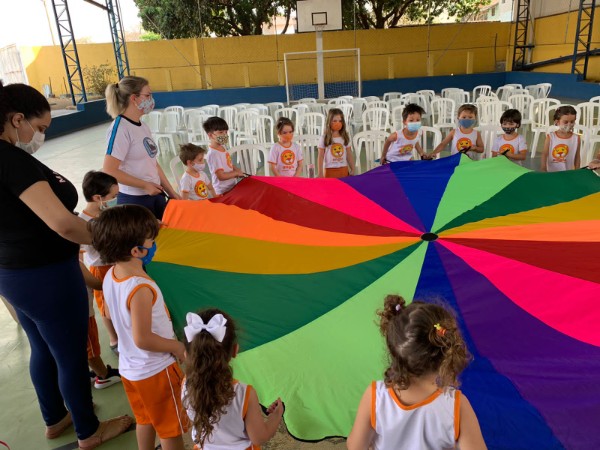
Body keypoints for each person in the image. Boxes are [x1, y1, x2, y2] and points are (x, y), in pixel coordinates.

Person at [0, 81, 132, 449]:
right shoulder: (9, 160)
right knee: (72, 355)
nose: (38, 136)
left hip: (14, 275)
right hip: (46, 276)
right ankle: (89, 431)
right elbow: (62, 223)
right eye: (39, 128)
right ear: (16, 119)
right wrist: (110, 240)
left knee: (43, 348)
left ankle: (55, 417)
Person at [92, 204, 188, 450]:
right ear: (136, 250)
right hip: (156, 371)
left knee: (145, 418)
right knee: (170, 430)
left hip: (130, 369)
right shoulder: (141, 288)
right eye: (151, 240)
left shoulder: (112, 275)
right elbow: (143, 338)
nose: (154, 244)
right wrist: (177, 347)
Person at [347, 294, 486, 450]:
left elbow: (355, 446)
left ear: (395, 352)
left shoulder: (375, 396)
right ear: (446, 354)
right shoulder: (457, 406)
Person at [182, 308, 284, 449]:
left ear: (186, 355)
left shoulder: (186, 385)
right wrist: (276, 416)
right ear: (235, 350)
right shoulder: (244, 393)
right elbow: (259, 437)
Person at [103, 76, 180, 220]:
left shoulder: (143, 126)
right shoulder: (121, 128)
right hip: (135, 201)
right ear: (134, 98)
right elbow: (109, 170)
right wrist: (144, 185)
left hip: (155, 194)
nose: (151, 99)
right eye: (147, 95)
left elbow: (153, 163)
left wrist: (172, 193)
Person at [79, 170, 120, 354]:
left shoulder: (107, 213)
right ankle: (114, 339)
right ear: (98, 197)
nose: (116, 199)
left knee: (119, 303)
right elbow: (79, 255)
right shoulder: (82, 223)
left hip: (117, 264)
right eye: (114, 196)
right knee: (107, 309)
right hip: (100, 269)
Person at [204, 116, 244, 195]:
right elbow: (221, 176)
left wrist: (236, 170)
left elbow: (228, 164)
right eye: (221, 132)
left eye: (226, 132)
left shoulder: (222, 147)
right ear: (211, 135)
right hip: (222, 191)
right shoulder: (213, 154)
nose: (225, 135)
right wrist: (236, 173)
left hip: (231, 186)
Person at [541, 105, 581, 172]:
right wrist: (543, 169)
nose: (569, 124)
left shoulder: (576, 138)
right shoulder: (550, 137)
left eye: (572, 122)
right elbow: (544, 154)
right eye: (565, 122)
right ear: (557, 122)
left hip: (568, 173)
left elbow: (577, 156)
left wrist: (577, 171)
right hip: (552, 173)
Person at [318, 108, 356, 178]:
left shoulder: (345, 136)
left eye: (340, 121)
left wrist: (353, 168)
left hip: (343, 170)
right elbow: (320, 156)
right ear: (329, 122)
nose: (337, 123)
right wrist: (320, 173)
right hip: (329, 171)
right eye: (334, 121)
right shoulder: (324, 137)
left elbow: (349, 154)